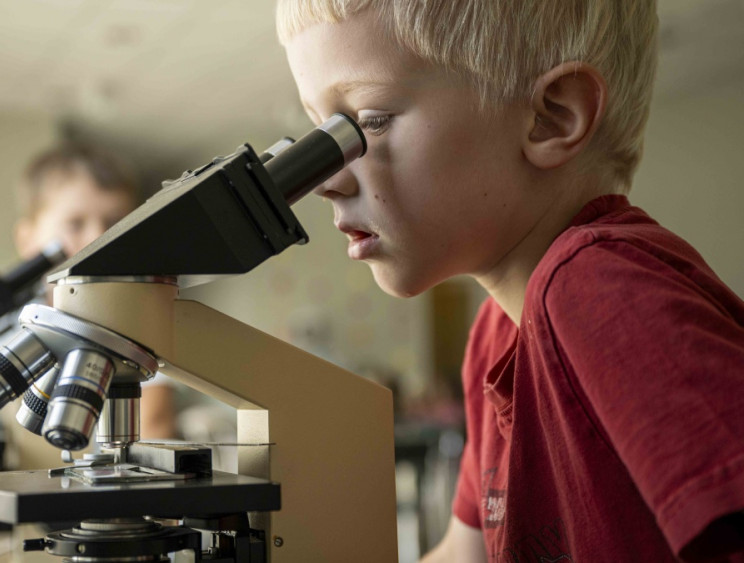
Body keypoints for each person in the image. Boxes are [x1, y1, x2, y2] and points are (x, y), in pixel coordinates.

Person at [276, 1, 744, 561]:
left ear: (551, 116)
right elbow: (463, 554)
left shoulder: (596, 287)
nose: (326, 180)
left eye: (370, 121)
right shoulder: (498, 333)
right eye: (321, 133)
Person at [5, 141, 177, 468]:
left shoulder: (145, 327)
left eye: (115, 224)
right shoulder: (3, 334)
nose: (98, 241)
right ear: (27, 240)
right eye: (75, 224)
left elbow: (154, 424)